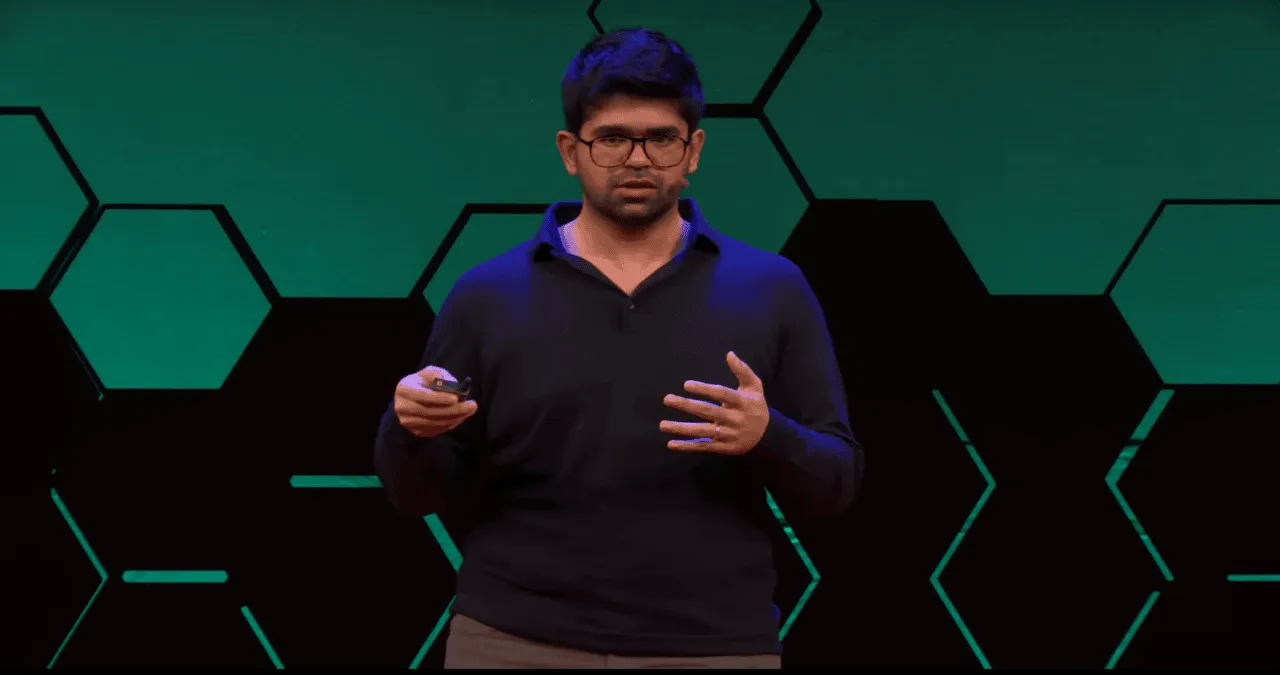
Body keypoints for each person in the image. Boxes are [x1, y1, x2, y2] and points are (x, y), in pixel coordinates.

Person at [374, 28, 863, 669]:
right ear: (570, 151)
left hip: (714, 650)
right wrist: (408, 426)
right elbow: (416, 495)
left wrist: (767, 435)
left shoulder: (772, 289)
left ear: (693, 152)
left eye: (661, 138)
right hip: (512, 642)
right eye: (611, 139)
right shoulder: (486, 295)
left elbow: (835, 488)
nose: (637, 160)